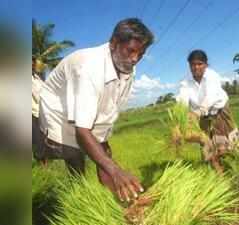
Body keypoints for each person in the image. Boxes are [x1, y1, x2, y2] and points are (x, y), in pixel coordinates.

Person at [37, 18, 154, 202]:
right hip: (60, 114)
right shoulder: (89, 67)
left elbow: (108, 108)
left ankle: (118, 201)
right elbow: (82, 131)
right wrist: (114, 170)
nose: (135, 58)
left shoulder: (127, 66)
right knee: (74, 155)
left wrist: (108, 161)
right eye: (131, 50)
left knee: (104, 156)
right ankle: (79, 196)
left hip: (90, 111)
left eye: (141, 53)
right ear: (114, 43)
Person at [176, 49, 239, 173]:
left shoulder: (212, 76)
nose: (196, 67)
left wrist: (196, 113)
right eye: (193, 64)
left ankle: (234, 168)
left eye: (199, 64)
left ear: (206, 64)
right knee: (206, 143)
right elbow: (182, 100)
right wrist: (181, 119)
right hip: (202, 117)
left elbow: (210, 97)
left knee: (226, 145)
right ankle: (217, 172)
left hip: (219, 112)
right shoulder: (185, 82)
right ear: (189, 66)